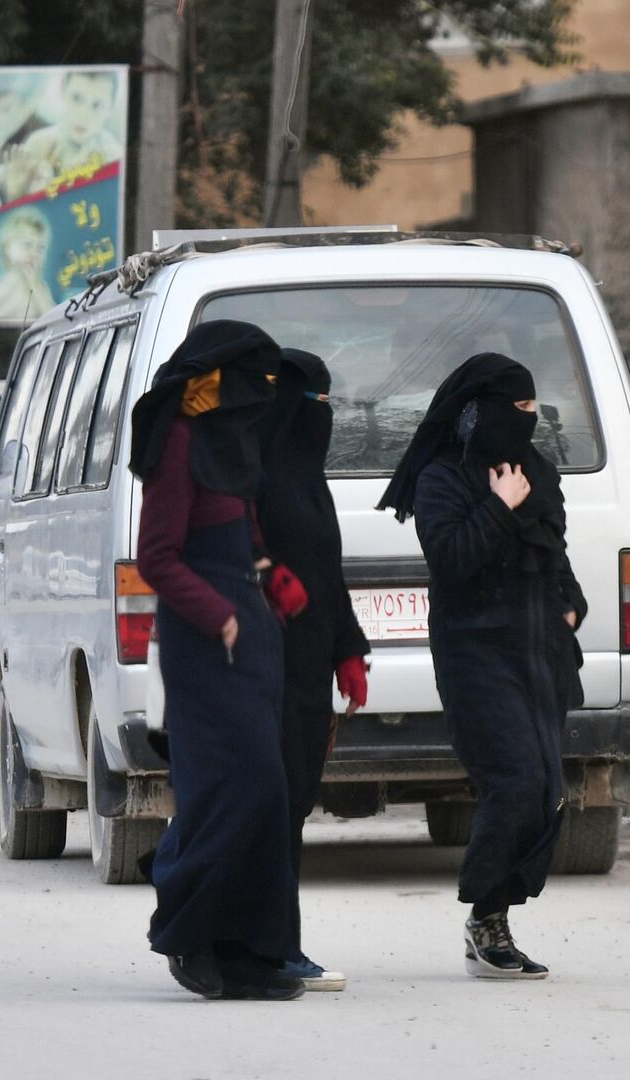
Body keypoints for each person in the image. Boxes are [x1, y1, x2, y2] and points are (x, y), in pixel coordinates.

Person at [375, 353, 586, 981]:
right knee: (515, 781)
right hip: (475, 655)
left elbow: (554, 552)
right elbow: (453, 558)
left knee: (547, 791)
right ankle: (485, 919)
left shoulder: (537, 472)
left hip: (539, 652)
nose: (527, 421)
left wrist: (572, 607)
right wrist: (498, 506)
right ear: (480, 414)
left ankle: (498, 917)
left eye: (532, 410)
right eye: (515, 410)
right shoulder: (443, 480)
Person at [130, 320, 304, 1001]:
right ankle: (187, 934)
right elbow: (157, 558)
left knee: (268, 792)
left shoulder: (229, 441)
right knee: (230, 789)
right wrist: (220, 615)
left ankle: (251, 947)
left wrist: (270, 579)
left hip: (251, 636)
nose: (263, 397)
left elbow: (244, 532)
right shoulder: (176, 443)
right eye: (253, 381)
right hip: (205, 644)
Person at [254, 349, 370, 993]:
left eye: (330, 402)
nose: (322, 415)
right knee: (271, 806)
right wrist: (270, 581)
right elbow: (242, 560)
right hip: (265, 671)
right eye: (314, 402)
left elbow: (330, 575)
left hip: (309, 674)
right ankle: (271, 944)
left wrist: (348, 650)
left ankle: (282, 942)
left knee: (293, 805)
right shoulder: (255, 482)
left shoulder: (308, 480)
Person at [0, 70, 123, 201]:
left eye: (96, 105)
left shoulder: (114, 159)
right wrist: (14, 194)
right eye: (77, 98)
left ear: (110, 110)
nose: (83, 115)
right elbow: (15, 214)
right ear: (63, 92)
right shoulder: (38, 143)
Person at [0, 208, 57, 324]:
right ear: (7, 248)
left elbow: (55, 318)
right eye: (27, 245)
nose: (34, 253)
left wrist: (34, 285)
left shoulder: (41, 288)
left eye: (40, 248)